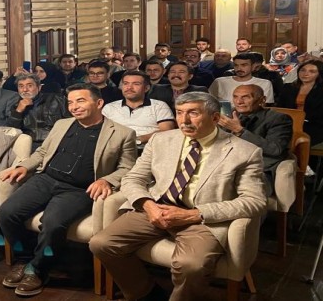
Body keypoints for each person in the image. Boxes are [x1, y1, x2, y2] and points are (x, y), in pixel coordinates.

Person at [90, 92, 266, 301]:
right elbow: (133, 178)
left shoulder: (245, 151)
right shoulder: (161, 139)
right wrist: (148, 205)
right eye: (179, 113)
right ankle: (145, 294)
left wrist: (194, 214)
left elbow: (254, 201)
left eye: (193, 113)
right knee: (101, 243)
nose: (184, 120)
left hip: (202, 219)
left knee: (191, 265)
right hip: (157, 207)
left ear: (215, 118)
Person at [0, 84, 137, 296]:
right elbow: (42, 152)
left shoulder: (122, 133)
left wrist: (107, 180)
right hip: (46, 179)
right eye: (70, 102)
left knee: (53, 223)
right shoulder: (62, 124)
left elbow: (127, 167)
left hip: (79, 189)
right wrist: (24, 166)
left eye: (80, 101)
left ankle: (38, 269)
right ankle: (24, 259)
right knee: (7, 212)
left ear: (99, 103)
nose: (74, 107)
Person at [218, 84, 292, 194]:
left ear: (262, 100)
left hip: (258, 171)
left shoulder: (278, 119)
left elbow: (275, 149)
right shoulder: (229, 116)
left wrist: (240, 131)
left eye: (246, 97)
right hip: (228, 167)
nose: (239, 102)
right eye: (235, 97)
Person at [102, 70, 176, 145]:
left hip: (149, 147)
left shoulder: (159, 106)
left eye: (136, 84)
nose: (129, 87)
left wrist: (137, 140)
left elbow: (166, 131)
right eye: (125, 83)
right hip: (116, 147)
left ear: (146, 88)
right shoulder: (109, 107)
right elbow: (101, 131)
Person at [6, 73, 70, 150]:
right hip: (28, 145)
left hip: (54, 143)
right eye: (21, 86)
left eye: (29, 86)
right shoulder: (16, 105)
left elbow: (70, 122)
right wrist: (18, 112)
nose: (25, 90)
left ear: (39, 87)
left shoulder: (57, 99)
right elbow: (12, 130)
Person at [277, 60, 323, 147]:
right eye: (303, 70)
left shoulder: (320, 90)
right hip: (288, 123)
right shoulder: (288, 87)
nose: (305, 74)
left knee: (297, 140)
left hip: (314, 125)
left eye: (312, 71)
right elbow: (280, 108)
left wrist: (301, 120)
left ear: (319, 74)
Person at [210, 52, 275, 105]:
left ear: (253, 66)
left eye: (244, 65)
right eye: (236, 65)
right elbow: (209, 102)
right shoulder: (219, 82)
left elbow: (265, 106)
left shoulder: (265, 83)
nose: (239, 68)